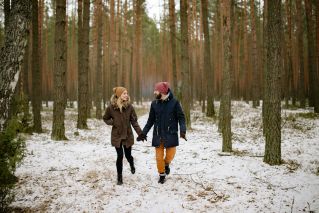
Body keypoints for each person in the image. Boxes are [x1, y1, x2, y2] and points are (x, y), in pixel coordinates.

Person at [137, 82, 187, 184]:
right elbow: (150, 121)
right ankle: (162, 174)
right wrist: (143, 133)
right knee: (159, 158)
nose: (154, 92)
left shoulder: (175, 103)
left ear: (163, 92)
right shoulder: (154, 104)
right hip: (158, 135)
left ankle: (167, 164)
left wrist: (182, 130)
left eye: (157, 91)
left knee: (170, 155)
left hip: (171, 134)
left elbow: (181, 118)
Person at [103, 87, 145, 185]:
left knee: (128, 155)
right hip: (117, 136)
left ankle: (131, 163)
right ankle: (119, 177)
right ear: (118, 95)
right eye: (124, 93)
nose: (126, 95)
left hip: (127, 135)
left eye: (126, 93)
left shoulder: (130, 107)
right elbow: (105, 118)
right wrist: (112, 122)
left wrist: (140, 133)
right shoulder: (111, 107)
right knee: (120, 156)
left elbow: (134, 122)